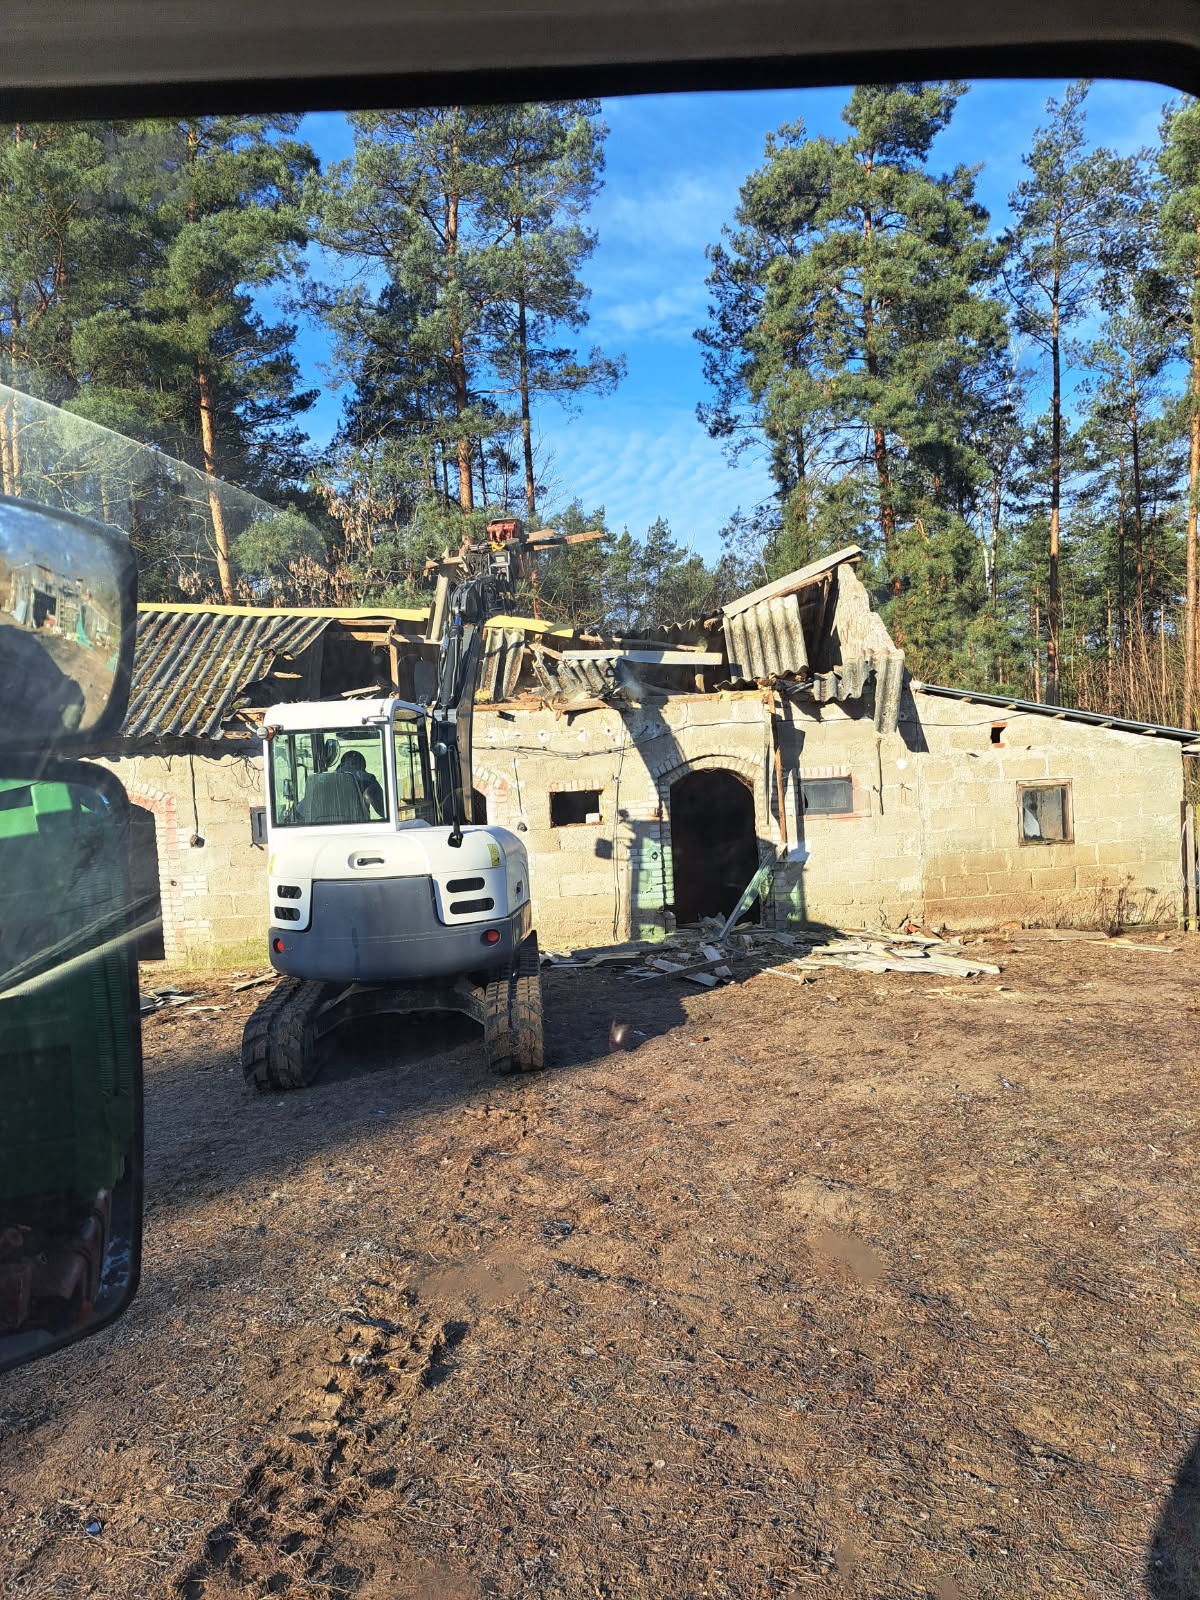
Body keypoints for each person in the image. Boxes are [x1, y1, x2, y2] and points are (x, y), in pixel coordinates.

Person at [337, 749, 386, 818]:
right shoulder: (368, 778)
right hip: (359, 824)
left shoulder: (326, 779)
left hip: (327, 825)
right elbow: (383, 810)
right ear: (362, 766)